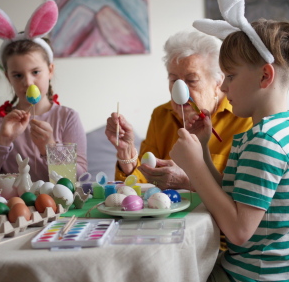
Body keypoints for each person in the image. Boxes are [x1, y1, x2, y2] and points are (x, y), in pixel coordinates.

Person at [170, 0, 289, 282]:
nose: (222, 87)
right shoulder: (273, 131)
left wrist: (192, 165)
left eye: (230, 76)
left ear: (264, 75)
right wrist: (204, 150)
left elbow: (238, 231)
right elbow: (233, 200)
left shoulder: (267, 142)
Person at [105, 29, 253, 190]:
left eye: (191, 80)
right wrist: (127, 153)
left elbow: (243, 194)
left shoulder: (244, 119)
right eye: (174, 80)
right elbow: (142, 183)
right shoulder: (161, 116)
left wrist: (189, 183)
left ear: (218, 82)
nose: (180, 90)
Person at [0, 0, 87, 186]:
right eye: (17, 75)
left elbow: (78, 179)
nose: (27, 82)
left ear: (50, 70)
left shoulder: (68, 117)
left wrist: (50, 147)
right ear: (8, 77)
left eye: (35, 72)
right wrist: (3, 140)